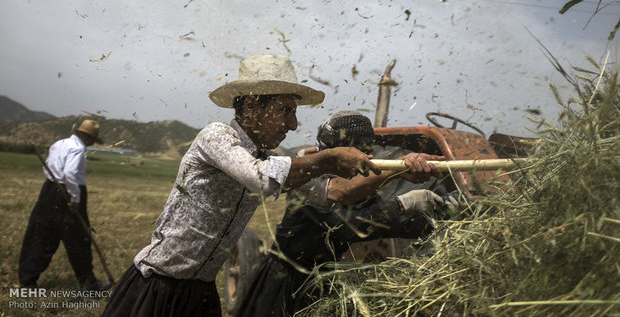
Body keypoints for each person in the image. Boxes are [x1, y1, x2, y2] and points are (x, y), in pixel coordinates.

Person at [103, 55, 411, 317]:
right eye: (286, 111)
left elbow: (334, 192)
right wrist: (328, 158)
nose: (293, 124)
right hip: (157, 287)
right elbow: (260, 178)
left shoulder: (269, 159)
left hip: (200, 292)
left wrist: (397, 173)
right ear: (252, 107)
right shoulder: (217, 137)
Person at [235, 111, 457, 317]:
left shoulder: (361, 188)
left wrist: (442, 214)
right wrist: (403, 202)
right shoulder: (311, 185)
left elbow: (388, 226)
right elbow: (347, 226)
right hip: (287, 285)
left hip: (325, 283)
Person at [18, 119, 110, 291]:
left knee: (41, 235)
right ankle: (89, 285)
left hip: (48, 190)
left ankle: (27, 281)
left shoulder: (59, 143)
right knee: (79, 240)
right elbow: (69, 173)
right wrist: (74, 199)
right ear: (86, 136)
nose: (91, 143)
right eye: (91, 139)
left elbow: (50, 168)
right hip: (66, 194)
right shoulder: (77, 149)